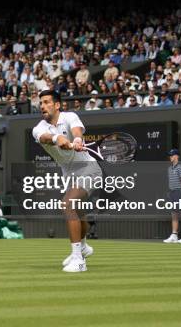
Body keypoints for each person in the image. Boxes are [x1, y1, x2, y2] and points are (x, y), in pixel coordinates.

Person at [32, 90, 102, 272]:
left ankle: (78, 260)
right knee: (78, 213)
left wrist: (77, 139)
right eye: (41, 103)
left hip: (89, 169)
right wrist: (57, 138)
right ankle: (83, 247)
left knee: (68, 204)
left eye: (47, 102)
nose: (42, 106)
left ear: (57, 105)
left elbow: (76, 130)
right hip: (69, 175)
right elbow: (44, 138)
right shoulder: (38, 128)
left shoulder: (70, 116)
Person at [163, 149, 181, 244]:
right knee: (174, 213)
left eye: (172, 155)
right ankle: (174, 235)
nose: (170, 157)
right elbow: (170, 182)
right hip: (172, 193)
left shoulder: (179, 167)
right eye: (170, 155)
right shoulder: (169, 168)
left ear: (177, 156)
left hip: (179, 192)